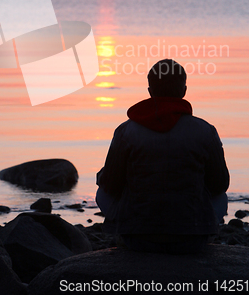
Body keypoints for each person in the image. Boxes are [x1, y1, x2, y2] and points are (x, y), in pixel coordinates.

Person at [96, 59, 229, 254]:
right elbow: (220, 185)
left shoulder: (126, 131)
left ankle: (124, 235)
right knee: (221, 197)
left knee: (101, 191)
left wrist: (104, 175)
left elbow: (110, 185)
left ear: (150, 91)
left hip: (138, 238)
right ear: (184, 91)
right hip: (192, 238)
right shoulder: (205, 131)